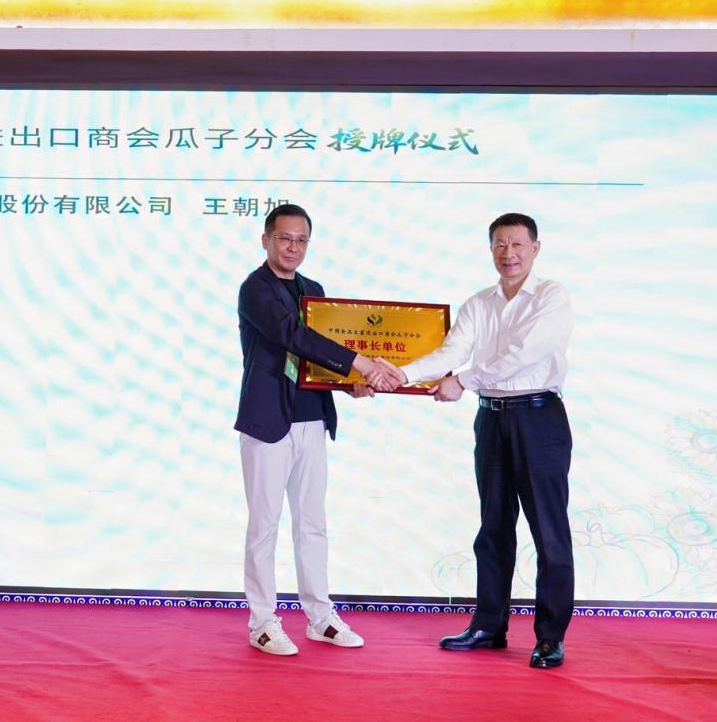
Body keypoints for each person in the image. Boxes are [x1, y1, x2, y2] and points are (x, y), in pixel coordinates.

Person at [370, 212, 574, 669]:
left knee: (549, 532)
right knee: (493, 527)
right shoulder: (478, 303)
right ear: (490, 249)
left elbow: (527, 354)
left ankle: (550, 637)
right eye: (500, 244)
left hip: (538, 418)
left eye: (517, 244)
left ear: (536, 248)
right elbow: (451, 351)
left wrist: (463, 381)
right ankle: (488, 626)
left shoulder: (551, 296)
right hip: (492, 420)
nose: (509, 253)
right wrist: (402, 373)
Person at [235, 203, 383, 656]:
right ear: (266, 240)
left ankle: (320, 616)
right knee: (264, 525)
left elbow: (317, 356)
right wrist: (359, 362)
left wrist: (349, 382)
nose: (292, 247)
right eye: (284, 238)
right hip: (267, 421)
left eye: (301, 240)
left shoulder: (313, 290)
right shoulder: (255, 289)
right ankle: (263, 622)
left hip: (311, 418)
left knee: (313, 524)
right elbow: (293, 337)